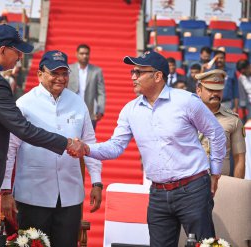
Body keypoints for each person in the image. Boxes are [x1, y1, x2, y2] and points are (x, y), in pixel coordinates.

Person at [0, 24, 85, 247]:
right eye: (17, 51)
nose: (20, 57)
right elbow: (22, 129)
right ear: (2, 51)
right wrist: (65, 142)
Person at [78, 51, 226, 246]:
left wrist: (215, 173)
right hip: (157, 193)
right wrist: (86, 149)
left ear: (157, 76)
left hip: (193, 189)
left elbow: (216, 133)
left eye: (139, 72)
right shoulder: (130, 110)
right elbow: (115, 147)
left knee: (204, 244)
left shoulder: (186, 101)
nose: (133, 77)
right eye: (133, 71)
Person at [0, 50, 102, 247]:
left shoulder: (78, 103)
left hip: (70, 196)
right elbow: (10, 150)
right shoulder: (24, 104)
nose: (61, 78)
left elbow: (90, 143)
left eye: (64, 73)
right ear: (40, 74)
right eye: (54, 73)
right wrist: (5, 191)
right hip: (32, 196)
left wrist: (96, 182)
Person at [196, 69, 246, 178]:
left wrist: (235, 187)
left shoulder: (233, 120)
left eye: (219, 90)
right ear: (199, 91)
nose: (215, 93)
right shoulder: (186, 116)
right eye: (210, 89)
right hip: (191, 184)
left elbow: (239, 158)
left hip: (221, 183)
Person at [68, 44, 106, 129]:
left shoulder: (96, 71)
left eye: (87, 53)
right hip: (71, 110)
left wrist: (100, 110)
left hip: (90, 112)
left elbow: (101, 92)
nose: (84, 56)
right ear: (76, 54)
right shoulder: (69, 69)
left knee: (88, 140)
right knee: (70, 136)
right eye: (82, 53)